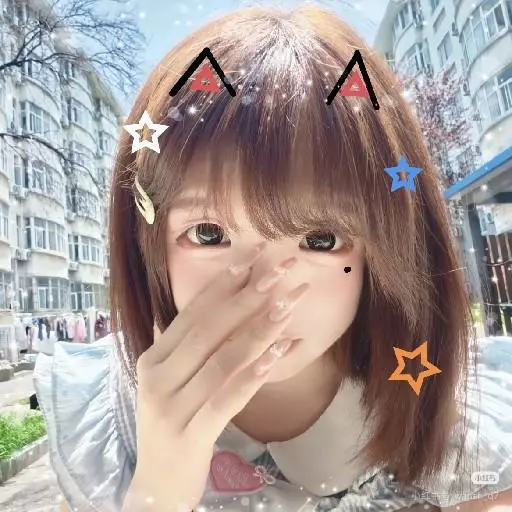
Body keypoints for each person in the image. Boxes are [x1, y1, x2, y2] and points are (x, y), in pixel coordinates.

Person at [32, 4, 512, 512]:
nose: (269, 292)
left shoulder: (455, 431)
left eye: (321, 240)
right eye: (209, 233)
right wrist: (158, 493)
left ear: (385, 248)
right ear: (148, 244)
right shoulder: (111, 433)